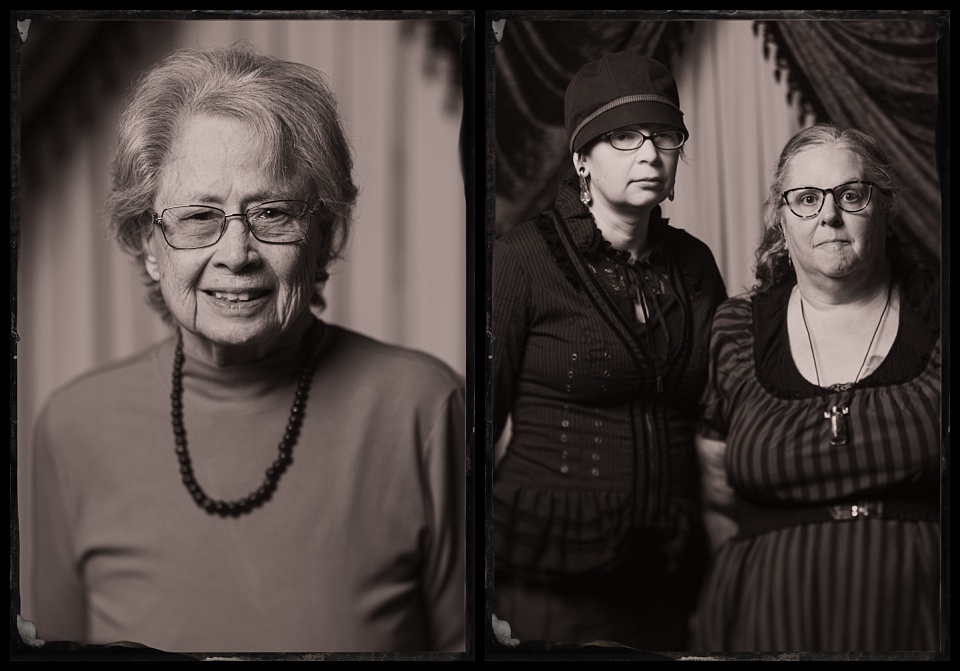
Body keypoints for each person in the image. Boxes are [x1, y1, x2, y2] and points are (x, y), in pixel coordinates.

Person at [25, 43, 465, 653]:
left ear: (323, 235)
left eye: (273, 212)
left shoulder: (425, 408)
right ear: (148, 243)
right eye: (199, 217)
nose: (236, 254)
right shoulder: (72, 429)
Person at [491, 51, 727, 650]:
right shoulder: (523, 260)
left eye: (665, 135)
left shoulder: (695, 265)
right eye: (623, 137)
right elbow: (474, 433)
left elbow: (717, 411)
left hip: (668, 578)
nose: (650, 154)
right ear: (581, 159)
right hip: (553, 580)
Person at [692, 123, 941, 651]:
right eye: (805, 199)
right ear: (780, 219)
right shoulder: (736, 330)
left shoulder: (937, 315)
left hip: (919, 615)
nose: (828, 215)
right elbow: (716, 503)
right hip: (765, 618)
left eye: (851, 195)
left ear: (883, 206)